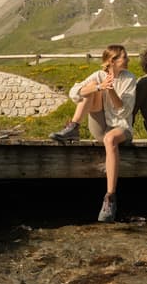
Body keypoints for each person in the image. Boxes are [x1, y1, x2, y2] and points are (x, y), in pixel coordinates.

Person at [50, 44, 136, 222]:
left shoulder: (130, 78)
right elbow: (74, 93)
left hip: (121, 128)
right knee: (90, 86)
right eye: (124, 57)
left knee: (110, 138)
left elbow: (124, 111)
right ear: (112, 61)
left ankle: (110, 197)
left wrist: (110, 89)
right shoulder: (99, 75)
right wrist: (99, 87)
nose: (128, 60)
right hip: (100, 126)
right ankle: (74, 127)